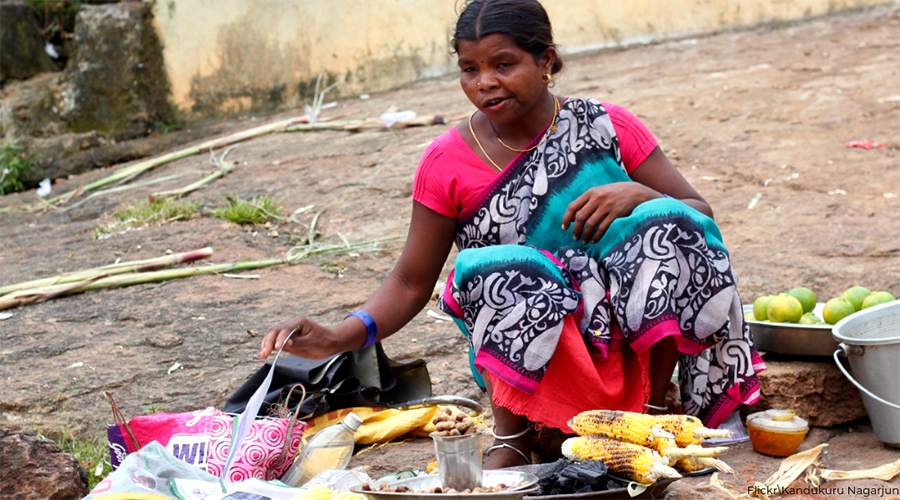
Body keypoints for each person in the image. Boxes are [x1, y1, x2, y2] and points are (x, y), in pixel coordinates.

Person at [260, 0, 764, 469]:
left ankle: (655, 412)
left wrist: (639, 194)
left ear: (546, 60)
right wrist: (336, 337)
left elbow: (700, 215)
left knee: (670, 221)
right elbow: (412, 282)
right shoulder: (446, 162)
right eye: (469, 69)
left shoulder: (606, 126)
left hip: (630, 335)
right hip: (538, 346)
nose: (485, 83)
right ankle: (513, 439)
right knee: (489, 266)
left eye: (504, 64)